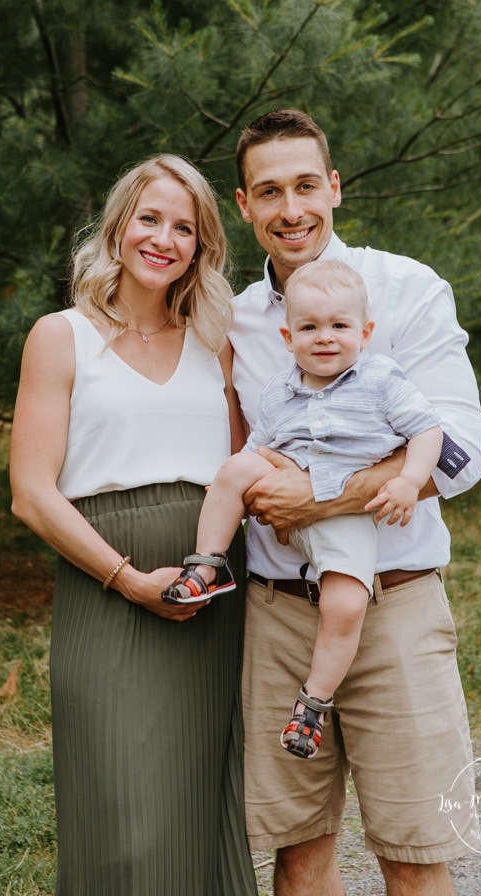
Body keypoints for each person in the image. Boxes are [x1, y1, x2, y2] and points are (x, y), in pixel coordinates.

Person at [228, 109, 481, 896]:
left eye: (306, 185)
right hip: (276, 614)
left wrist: (319, 498)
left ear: (333, 187)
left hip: (393, 603)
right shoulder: (237, 318)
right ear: (244, 207)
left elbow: (459, 452)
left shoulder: (405, 289)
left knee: (411, 850)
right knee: (297, 852)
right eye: (268, 192)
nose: (290, 209)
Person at [9, 155, 257, 896]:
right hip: (105, 590)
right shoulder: (60, 336)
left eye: (185, 227)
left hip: (207, 594)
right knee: (120, 816)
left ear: (202, 247)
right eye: (149, 218)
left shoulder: (219, 342)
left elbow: (244, 466)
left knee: (204, 809)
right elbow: (30, 492)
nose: (164, 238)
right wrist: (125, 577)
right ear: (117, 228)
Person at [163, 259, 442, 763]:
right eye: (310, 327)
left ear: (366, 331)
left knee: (346, 605)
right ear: (289, 337)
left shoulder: (380, 379)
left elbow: (428, 430)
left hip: (345, 515)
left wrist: (409, 479)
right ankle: (207, 564)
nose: (325, 337)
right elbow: (259, 448)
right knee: (232, 470)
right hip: (282, 489)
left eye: (339, 326)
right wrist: (247, 483)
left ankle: (312, 703)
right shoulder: (280, 387)